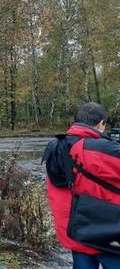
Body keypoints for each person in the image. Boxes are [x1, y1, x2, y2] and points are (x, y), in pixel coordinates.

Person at [45, 102, 120, 268]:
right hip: (106, 233)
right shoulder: (99, 149)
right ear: (101, 123)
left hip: (75, 231)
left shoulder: (56, 147)